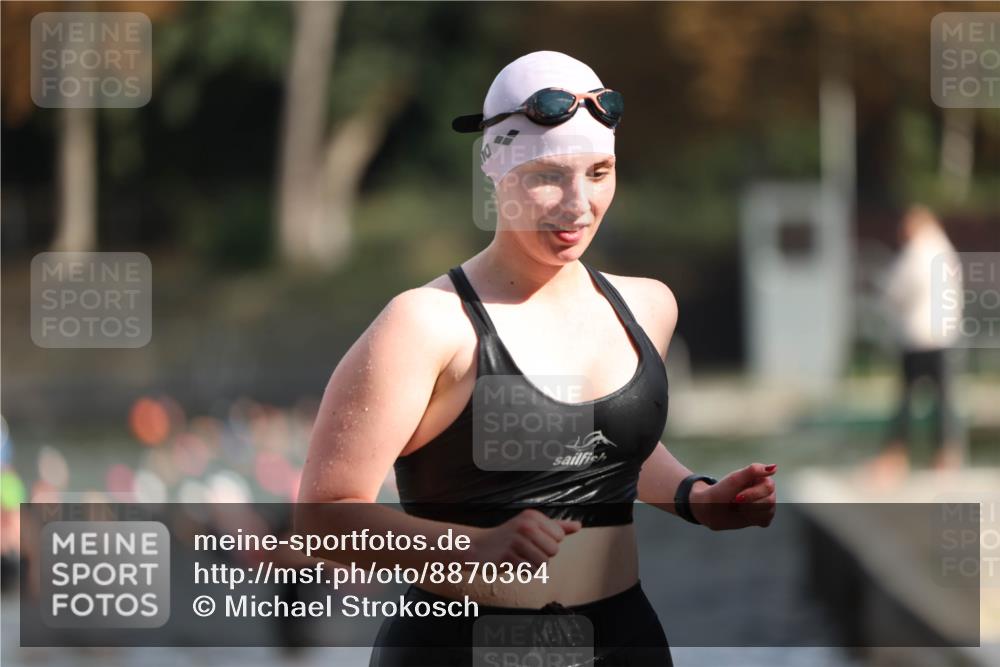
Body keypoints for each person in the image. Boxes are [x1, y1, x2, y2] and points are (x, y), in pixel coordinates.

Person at [297, 51, 778, 667]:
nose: (578, 204)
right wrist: (472, 549)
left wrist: (694, 497)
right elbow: (322, 517)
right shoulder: (426, 323)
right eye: (548, 175)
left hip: (625, 639)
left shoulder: (647, 306)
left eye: (599, 171)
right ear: (496, 173)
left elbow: (605, 439)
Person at [870, 204, 964, 480]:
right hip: (945, 336)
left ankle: (895, 455)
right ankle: (946, 456)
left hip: (918, 337)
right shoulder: (945, 250)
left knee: (906, 400)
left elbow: (897, 290)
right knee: (944, 400)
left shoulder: (919, 251)